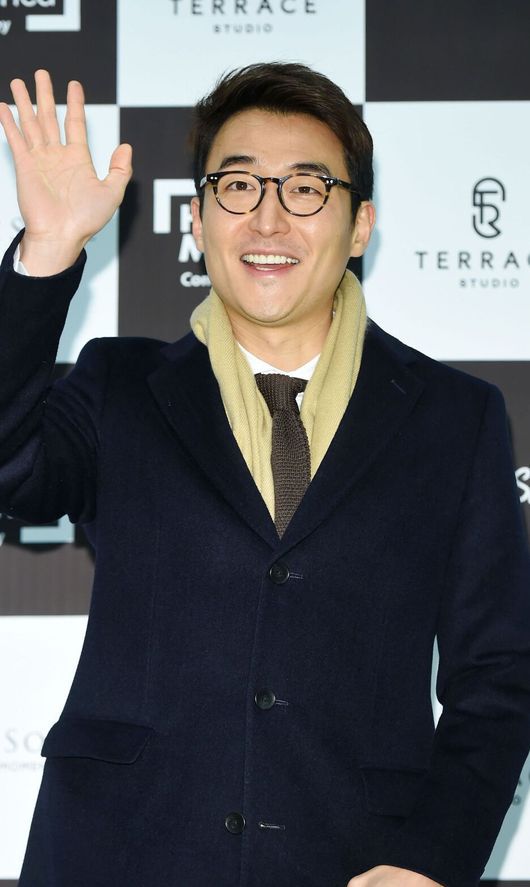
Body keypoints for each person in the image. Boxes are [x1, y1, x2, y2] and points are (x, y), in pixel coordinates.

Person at [0, 64, 529, 887]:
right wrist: (47, 253)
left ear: (361, 226)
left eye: (308, 188)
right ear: (199, 218)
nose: (269, 217)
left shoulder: (455, 419)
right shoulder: (118, 385)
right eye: (239, 185)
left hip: (353, 864)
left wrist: (431, 861)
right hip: (116, 856)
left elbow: (499, 675)